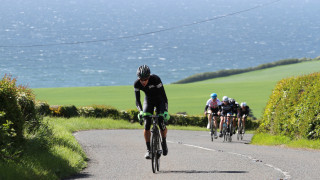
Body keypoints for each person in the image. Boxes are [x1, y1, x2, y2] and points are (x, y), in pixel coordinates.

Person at [134, 65, 169, 159]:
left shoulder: (155, 79)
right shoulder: (137, 84)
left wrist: (165, 111)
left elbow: (164, 96)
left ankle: (164, 142)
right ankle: (149, 150)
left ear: (149, 77)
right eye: (141, 79)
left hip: (160, 101)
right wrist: (140, 111)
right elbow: (137, 100)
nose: (143, 81)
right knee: (147, 124)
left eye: (145, 79)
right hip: (148, 101)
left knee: (161, 122)